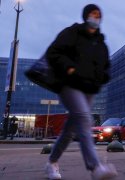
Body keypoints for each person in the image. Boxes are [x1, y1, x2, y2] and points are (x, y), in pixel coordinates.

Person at [45, 4, 117, 180]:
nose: (96, 17)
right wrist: (69, 68)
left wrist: (102, 77)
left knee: (70, 130)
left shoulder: (102, 44)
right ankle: (95, 168)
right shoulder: (73, 33)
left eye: (98, 15)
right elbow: (53, 53)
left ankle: (52, 162)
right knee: (85, 118)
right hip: (69, 85)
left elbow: (106, 68)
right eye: (93, 14)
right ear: (86, 16)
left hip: (89, 90)